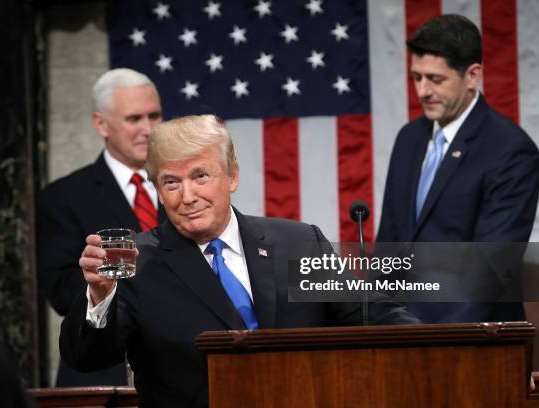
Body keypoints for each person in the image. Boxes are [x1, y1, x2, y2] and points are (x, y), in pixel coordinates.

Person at [59, 114, 420, 407]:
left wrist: (448, 344)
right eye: (171, 182)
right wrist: (100, 297)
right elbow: (87, 357)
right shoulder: (138, 261)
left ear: (232, 176)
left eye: (201, 176)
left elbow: (372, 316)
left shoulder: (297, 243)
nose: (188, 196)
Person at [376, 14, 539, 323]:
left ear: (472, 75)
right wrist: (377, 323)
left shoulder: (510, 150)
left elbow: (489, 268)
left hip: (471, 338)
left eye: (435, 79)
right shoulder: (409, 139)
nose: (422, 91)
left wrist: (441, 342)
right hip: (400, 335)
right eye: (416, 77)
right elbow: (390, 246)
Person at [37, 68, 168, 386]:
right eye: (134, 119)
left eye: (155, 116)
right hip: (103, 374)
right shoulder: (63, 197)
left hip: (177, 372)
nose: (148, 129)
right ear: (101, 124)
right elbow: (62, 291)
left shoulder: (185, 190)